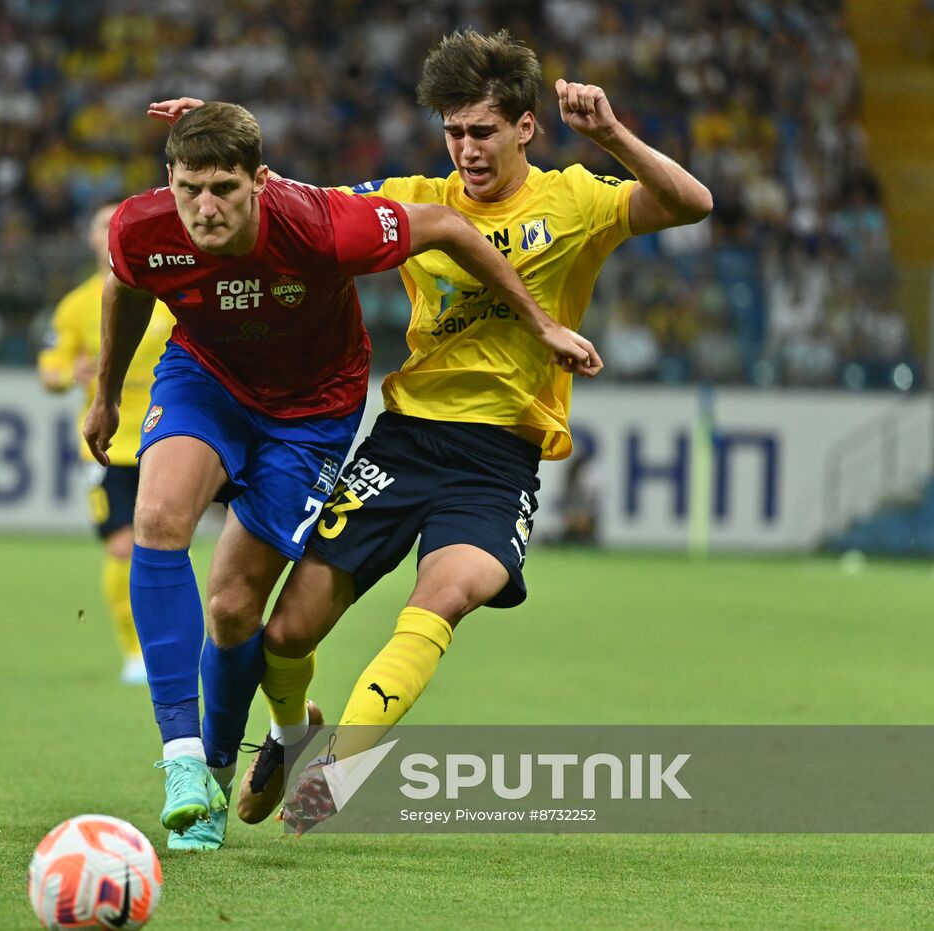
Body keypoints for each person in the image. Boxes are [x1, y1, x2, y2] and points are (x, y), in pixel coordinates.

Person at [152, 28, 713, 831]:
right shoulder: (418, 195)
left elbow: (693, 203)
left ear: (525, 126)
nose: (466, 150)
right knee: (285, 631)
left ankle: (342, 771)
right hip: (403, 438)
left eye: (482, 131)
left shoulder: (578, 199)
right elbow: (304, 209)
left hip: (499, 457)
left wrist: (611, 136)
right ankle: (294, 733)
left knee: (444, 594)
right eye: (453, 132)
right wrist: (214, 141)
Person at [84, 100, 600, 850]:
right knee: (158, 520)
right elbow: (125, 288)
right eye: (190, 186)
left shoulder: (325, 225)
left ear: (260, 183)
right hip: (208, 378)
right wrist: (105, 392)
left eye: (225, 188)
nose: (205, 207)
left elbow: (451, 227)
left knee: (235, 609)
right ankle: (190, 766)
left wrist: (542, 323)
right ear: (169, 180)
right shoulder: (141, 227)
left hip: (311, 412)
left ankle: (282, 743)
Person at [38, 203, 177, 685]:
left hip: (166, 438)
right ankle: (135, 652)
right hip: (107, 447)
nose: (110, 231)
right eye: (102, 224)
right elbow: (50, 368)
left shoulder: (166, 294)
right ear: (95, 239)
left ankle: (186, 644)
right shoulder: (76, 305)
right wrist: (65, 376)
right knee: (122, 548)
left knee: (163, 547)